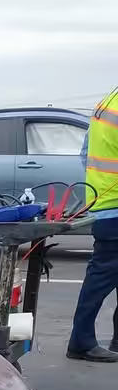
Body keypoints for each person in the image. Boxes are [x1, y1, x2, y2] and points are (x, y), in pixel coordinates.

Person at [67, 87, 118, 362]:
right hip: (115, 207)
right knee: (100, 278)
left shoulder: (108, 102)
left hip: (104, 202)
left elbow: (85, 154)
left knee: (105, 275)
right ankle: (81, 342)